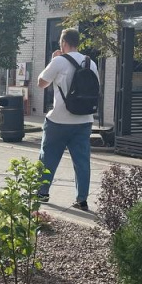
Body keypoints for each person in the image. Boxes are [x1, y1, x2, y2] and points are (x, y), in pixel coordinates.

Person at [36, 28, 99, 210]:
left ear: (63, 43)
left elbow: (42, 83)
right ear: (77, 42)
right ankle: (82, 200)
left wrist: (52, 61)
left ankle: (42, 192)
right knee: (82, 161)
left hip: (58, 120)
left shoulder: (58, 61)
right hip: (84, 120)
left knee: (48, 157)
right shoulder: (91, 63)